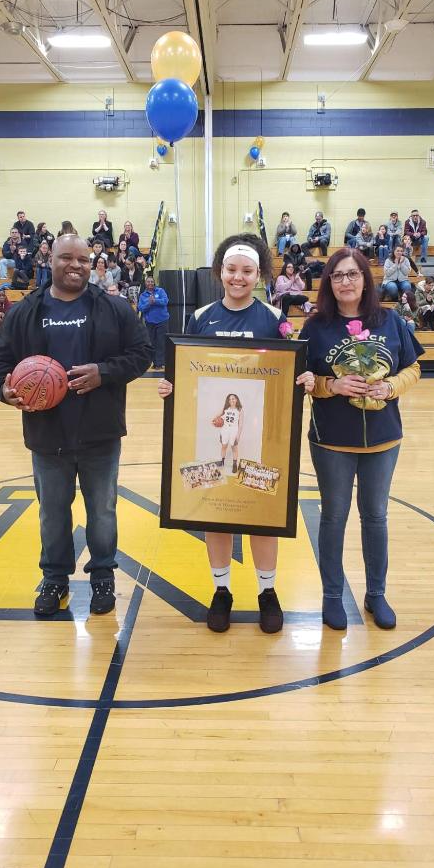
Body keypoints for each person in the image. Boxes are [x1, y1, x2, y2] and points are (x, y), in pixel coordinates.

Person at [0, 234, 152, 617]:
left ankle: (102, 577)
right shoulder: (25, 311)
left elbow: (143, 352)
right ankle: (55, 579)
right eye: (67, 258)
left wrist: (104, 372)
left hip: (99, 432)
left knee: (103, 513)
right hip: (47, 434)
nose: (76, 265)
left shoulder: (113, 308)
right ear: (51, 261)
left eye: (83, 258)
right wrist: (4, 390)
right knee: (53, 513)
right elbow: (0, 363)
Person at [158, 233, 289, 635]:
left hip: (260, 434)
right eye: (231, 270)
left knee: (262, 516)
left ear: (259, 274)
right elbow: (190, 372)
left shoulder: (272, 317)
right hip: (213, 431)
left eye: (247, 271)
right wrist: (172, 386)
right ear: (220, 272)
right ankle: (222, 591)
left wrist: (299, 377)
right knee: (217, 514)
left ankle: (267, 592)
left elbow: (286, 370)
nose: (238, 277)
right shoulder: (200, 317)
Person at [296, 248, 423, 631]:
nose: (346, 282)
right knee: (334, 518)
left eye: (353, 274)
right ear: (329, 283)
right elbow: (299, 381)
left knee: (376, 517)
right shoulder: (316, 327)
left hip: (383, 440)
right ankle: (332, 596)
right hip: (332, 440)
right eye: (337, 276)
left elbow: (414, 367)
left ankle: (376, 594)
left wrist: (392, 386)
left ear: (366, 279)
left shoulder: (390, 321)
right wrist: (330, 384)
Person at [138, 275, 169, 370]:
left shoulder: (160, 291)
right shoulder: (143, 295)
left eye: (152, 281)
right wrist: (149, 303)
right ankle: (154, 362)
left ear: (154, 283)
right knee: (152, 343)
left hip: (162, 320)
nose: (150, 283)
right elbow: (141, 308)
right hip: (150, 322)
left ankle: (159, 363)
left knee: (161, 342)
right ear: (145, 284)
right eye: (148, 282)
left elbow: (165, 301)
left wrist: (155, 301)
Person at [213, 394, 244, 473]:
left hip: (234, 430)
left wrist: (238, 435)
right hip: (225, 429)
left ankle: (234, 464)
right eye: (230, 399)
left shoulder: (240, 410)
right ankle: (222, 462)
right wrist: (214, 420)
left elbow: (240, 425)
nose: (231, 401)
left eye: (233, 399)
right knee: (224, 446)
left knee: (234, 448)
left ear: (236, 399)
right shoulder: (226, 409)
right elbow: (217, 415)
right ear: (228, 401)